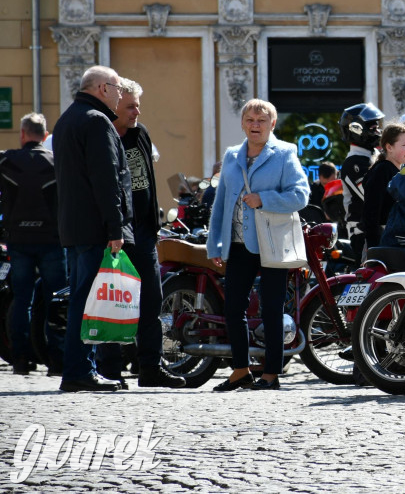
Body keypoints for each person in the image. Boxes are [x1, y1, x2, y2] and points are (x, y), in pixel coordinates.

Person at [206, 99, 310, 391]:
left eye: (262, 120)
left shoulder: (285, 153)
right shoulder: (231, 156)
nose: (255, 125)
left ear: (272, 124)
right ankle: (240, 370)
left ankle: (271, 374)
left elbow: (300, 195)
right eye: (250, 120)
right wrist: (215, 244)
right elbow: (222, 203)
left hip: (272, 243)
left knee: (272, 308)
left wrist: (265, 199)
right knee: (233, 308)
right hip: (239, 244)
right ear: (242, 123)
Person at [96, 79, 186, 389]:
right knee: (111, 300)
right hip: (113, 231)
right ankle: (109, 369)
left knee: (151, 300)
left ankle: (151, 367)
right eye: (131, 106)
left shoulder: (140, 133)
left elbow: (148, 179)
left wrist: (155, 222)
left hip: (145, 230)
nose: (137, 111)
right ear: (115, 107)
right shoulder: (103, 135)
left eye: (138, 105)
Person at [52, 65, 133, 392]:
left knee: (80, 300)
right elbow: (106, 180)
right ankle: (78, 372)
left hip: (73, 227)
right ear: (101, 88)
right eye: (116, 88)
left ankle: (77, 369)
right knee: (87, 303)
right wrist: (116, 228)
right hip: (94, 228)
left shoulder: (67, 119)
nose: (119, 94)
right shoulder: (97, 122)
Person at [0, 113, 68, 376]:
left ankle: (21, 359)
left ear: (23, 134)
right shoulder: (56, 162)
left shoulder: (6, 161)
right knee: (57, 300)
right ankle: (57, 360)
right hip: (52, 240)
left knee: (22, 300)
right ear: (46, 136)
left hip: (18, 240)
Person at [338, 103, 385, 260]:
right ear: (357, 130)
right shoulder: (354, 162)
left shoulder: (373, 156)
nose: (378, 132)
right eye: (373, 128)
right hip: (362, 232)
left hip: (377, 227)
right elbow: (371, 195)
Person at [360, 123, 405, 253]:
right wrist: (374, 248)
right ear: (389, 147)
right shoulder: (382, 170)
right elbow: (371, 212)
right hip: (382, 243)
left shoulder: (398, 170)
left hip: (393, 241)